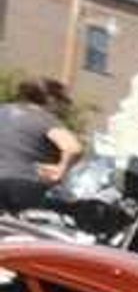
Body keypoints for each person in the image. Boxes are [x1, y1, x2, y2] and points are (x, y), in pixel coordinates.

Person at [0, 79, 84, 212]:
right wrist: (61, 170)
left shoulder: (3, 109)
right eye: (64, 101)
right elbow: (73, 148)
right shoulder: (45, 119)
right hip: (23, 187)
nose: (66, 106)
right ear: (51, 100)